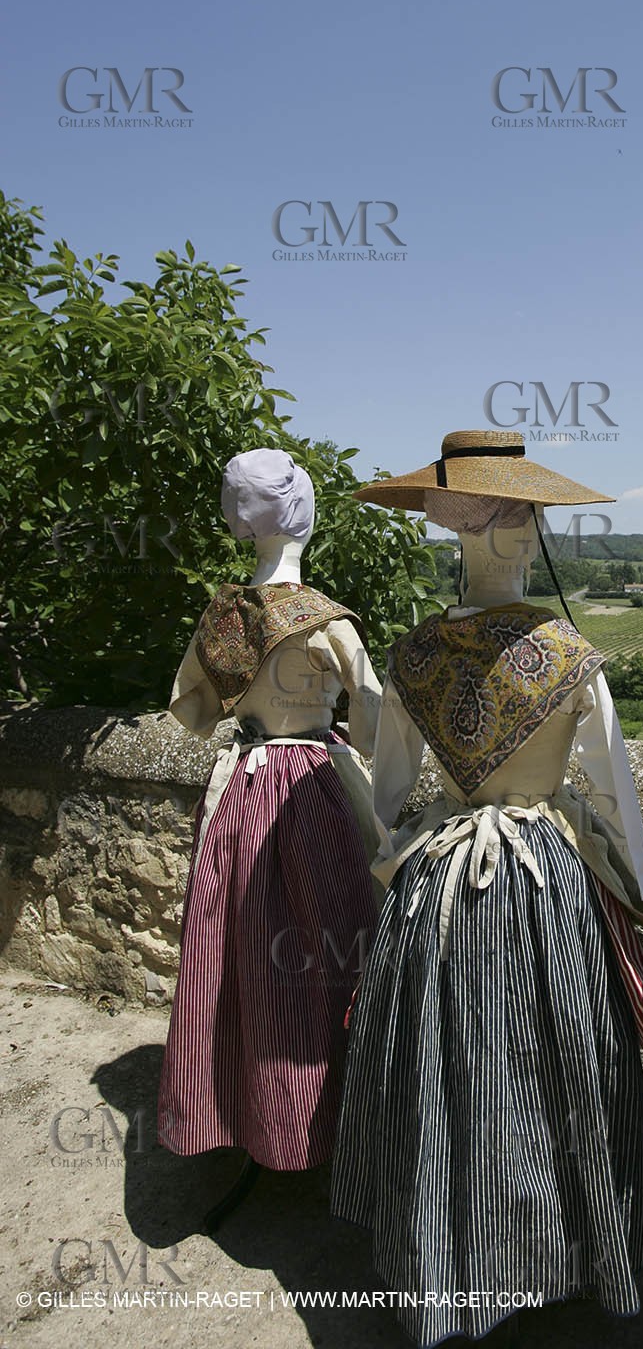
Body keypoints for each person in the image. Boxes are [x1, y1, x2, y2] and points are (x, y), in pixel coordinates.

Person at [330, 430, 643, 1347]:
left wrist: (398, 868)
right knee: (558, 1065)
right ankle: (561, 1250)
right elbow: (614, 797)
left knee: (442, 1068)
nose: (532, 530)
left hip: (438, 879)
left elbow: (387, 795)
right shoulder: (571, 655)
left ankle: (447, 1252)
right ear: (497, 527)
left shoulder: (411, 655)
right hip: (545, 883)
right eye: (522, 514)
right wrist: (639, 894)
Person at [158, 448, 383, 1183]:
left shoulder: (222, 616)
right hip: (312, 790)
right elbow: (374, 719)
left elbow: (192, 709)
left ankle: (236, 1111)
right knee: (330, 949)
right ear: (301, 513)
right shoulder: (325, 622)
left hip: (240, 792)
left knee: (231, 956)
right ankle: (323, 1122)